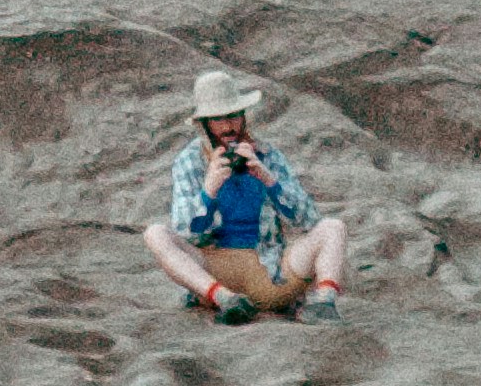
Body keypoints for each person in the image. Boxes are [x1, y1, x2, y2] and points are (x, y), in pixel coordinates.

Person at [148, 69, 347, 319]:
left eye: (233, 116)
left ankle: (324, 304)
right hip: (217, 269)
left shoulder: (267, 155)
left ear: (243, 116)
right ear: (204, 125)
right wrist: (208, 191)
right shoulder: (190, 161)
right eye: (218, 119)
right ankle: (224, 299)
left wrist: (270, 180)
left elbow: (308, 220)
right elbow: (184, 232)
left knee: (333, 227)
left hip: (270, 269)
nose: (228, 126)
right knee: (156, 234)